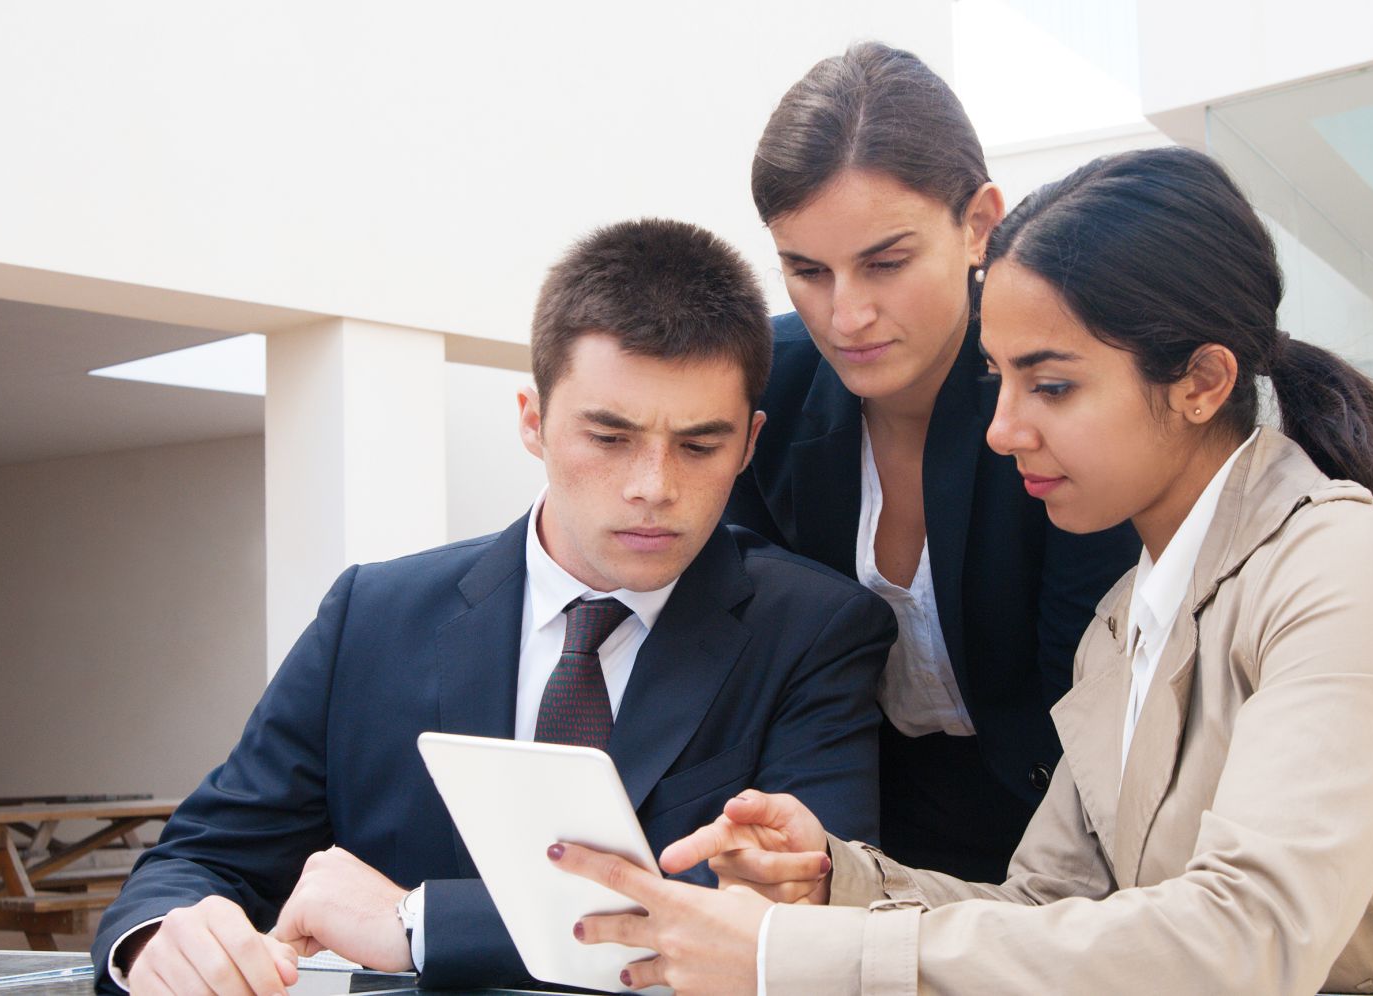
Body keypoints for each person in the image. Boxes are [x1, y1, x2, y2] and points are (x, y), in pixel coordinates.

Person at [552, 148, 1373, 995]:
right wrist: (839, 881)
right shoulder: (1127, 619)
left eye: (1051, 385)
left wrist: (783, 957)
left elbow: (1245, 938)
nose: (1002, 430)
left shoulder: (1343, 572)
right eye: (997, 380)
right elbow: (1045, 904)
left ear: (1201, 382)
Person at [91, 218, 897, 995]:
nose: (653, 486)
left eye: (697, 444)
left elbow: (785, 931)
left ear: (749, 445)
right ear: (533, 422)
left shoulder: (816, 632)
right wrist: (164, 940)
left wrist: (419, 921)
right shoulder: (370, 617)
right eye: (609, 438)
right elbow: (203, 858)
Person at [724, 42, 1140, 881]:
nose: (846, 315)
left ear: (979, 222)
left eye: (886, 262)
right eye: (806, 270)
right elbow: (758, 652)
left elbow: (1094, 695)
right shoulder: (767, 384)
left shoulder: (1058, 390)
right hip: (854, 829)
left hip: (1078, 831)